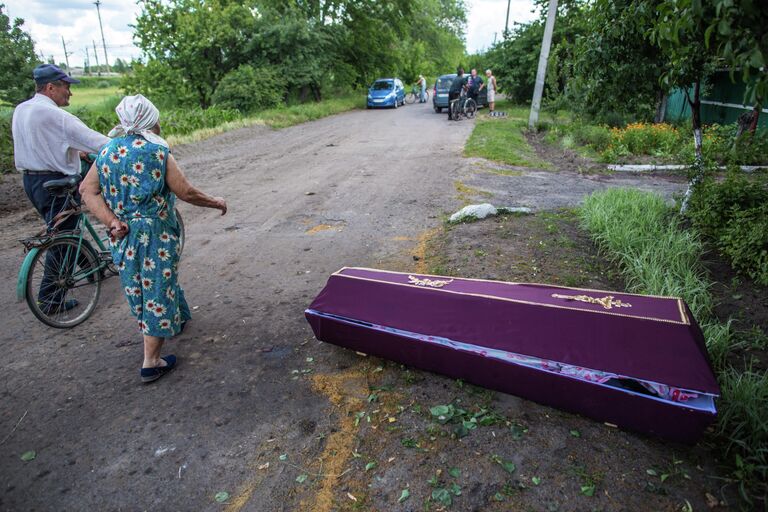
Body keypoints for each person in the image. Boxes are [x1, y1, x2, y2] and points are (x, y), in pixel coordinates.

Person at [80, 95, 227, 383]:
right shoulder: (156, 152)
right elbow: (186, 192)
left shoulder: (107, 151)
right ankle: (152, 361)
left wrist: (111, 221)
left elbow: (87, 190)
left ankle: (179, 317)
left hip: (121, 234)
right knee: (157, 288)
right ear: (150, 121)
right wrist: (216, 202)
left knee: (139, 284)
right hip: (154, 234)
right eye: (156, 119)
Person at [12, 64, 110, 313]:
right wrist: (127, 148)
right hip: (56, 180)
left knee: (65, 227)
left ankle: (91, 269)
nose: (70, 92)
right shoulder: (57, 116)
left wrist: (77, 152)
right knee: (62, 239)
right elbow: (99, 142)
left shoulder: (22, 110)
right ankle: (51, 297)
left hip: (32, 181)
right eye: (66, 86)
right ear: (51, 87)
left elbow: (45, 144)